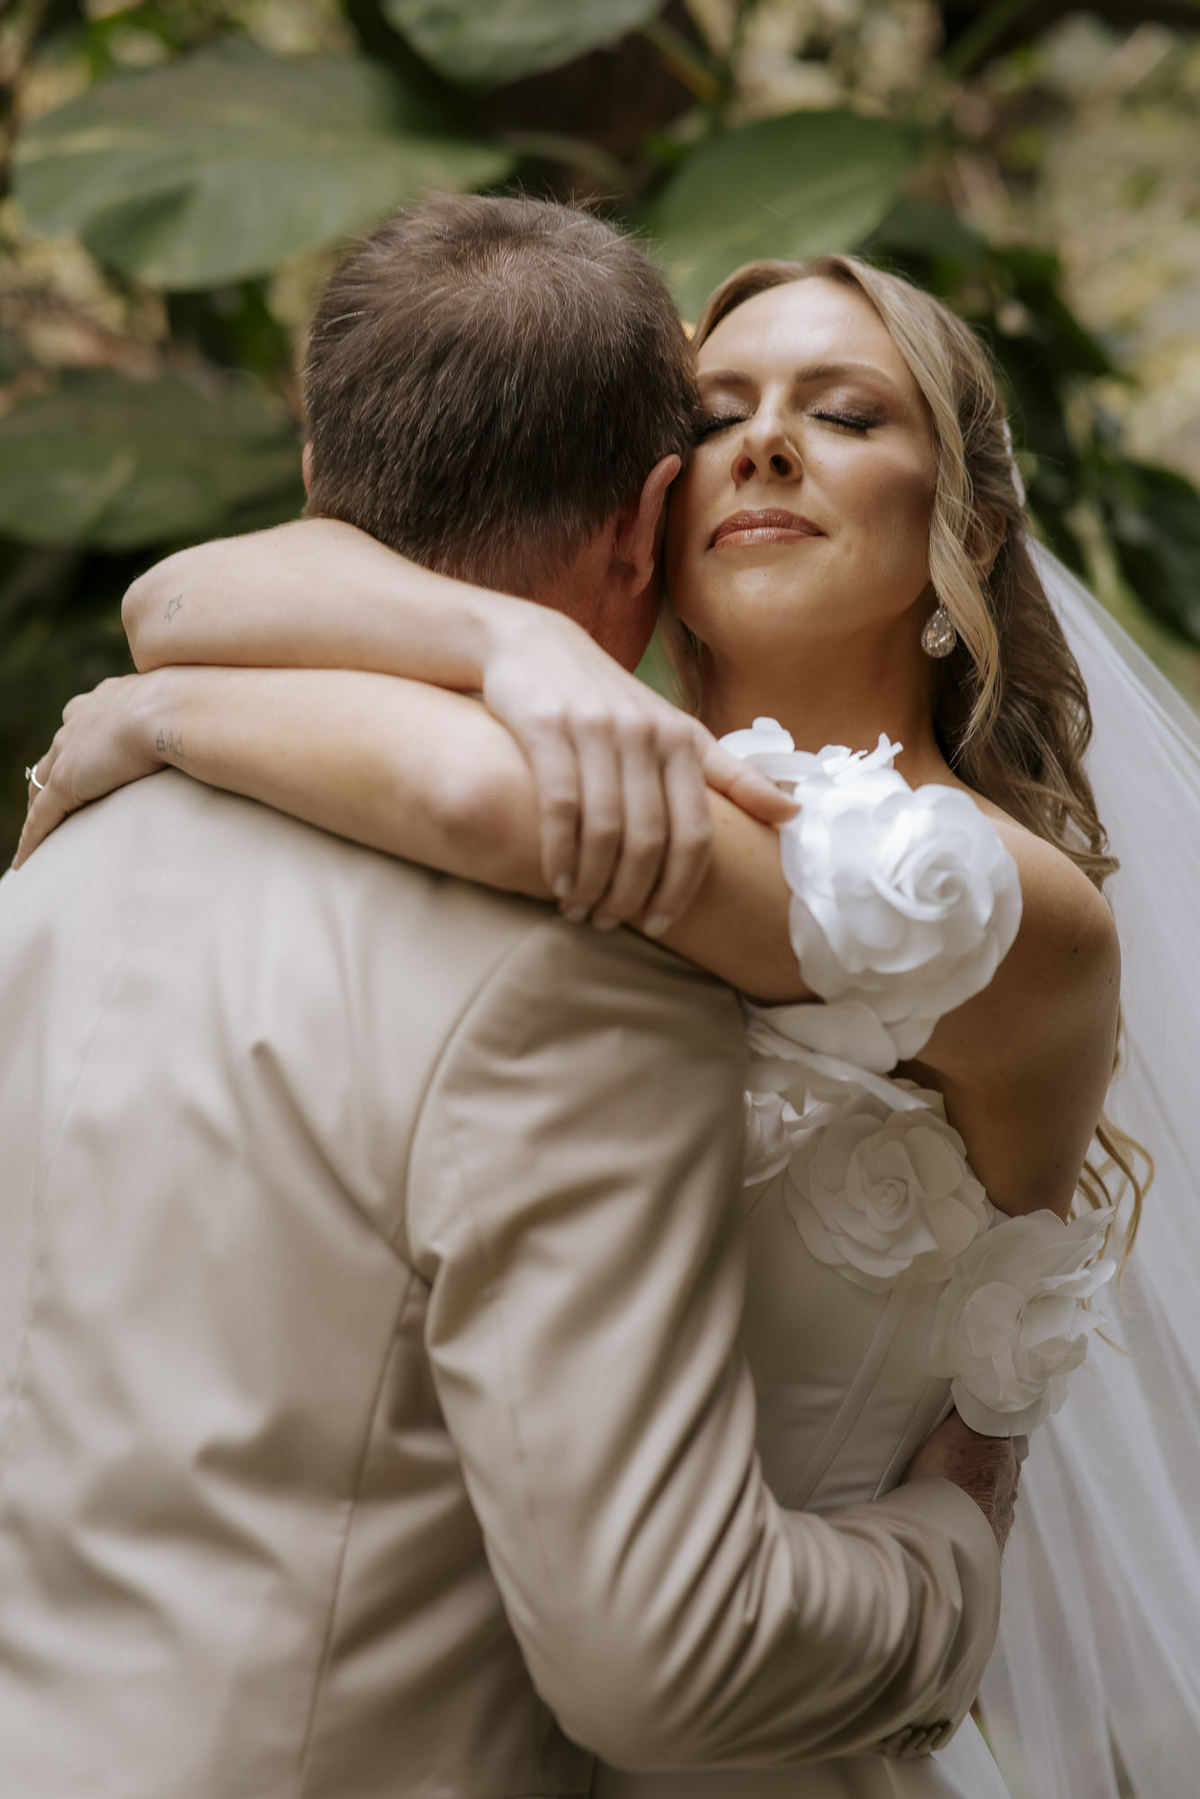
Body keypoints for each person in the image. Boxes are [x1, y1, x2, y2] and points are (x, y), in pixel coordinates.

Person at [14, 233, 1137, 1796]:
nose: (767, 442)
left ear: (966, 519)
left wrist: (156, 712)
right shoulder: (595, 754)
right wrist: (513, 640)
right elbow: (185, 586)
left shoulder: (981, 895)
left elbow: (480, 799)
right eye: (721, 411)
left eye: (849, 414)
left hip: (777, 1704)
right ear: (648, 516)